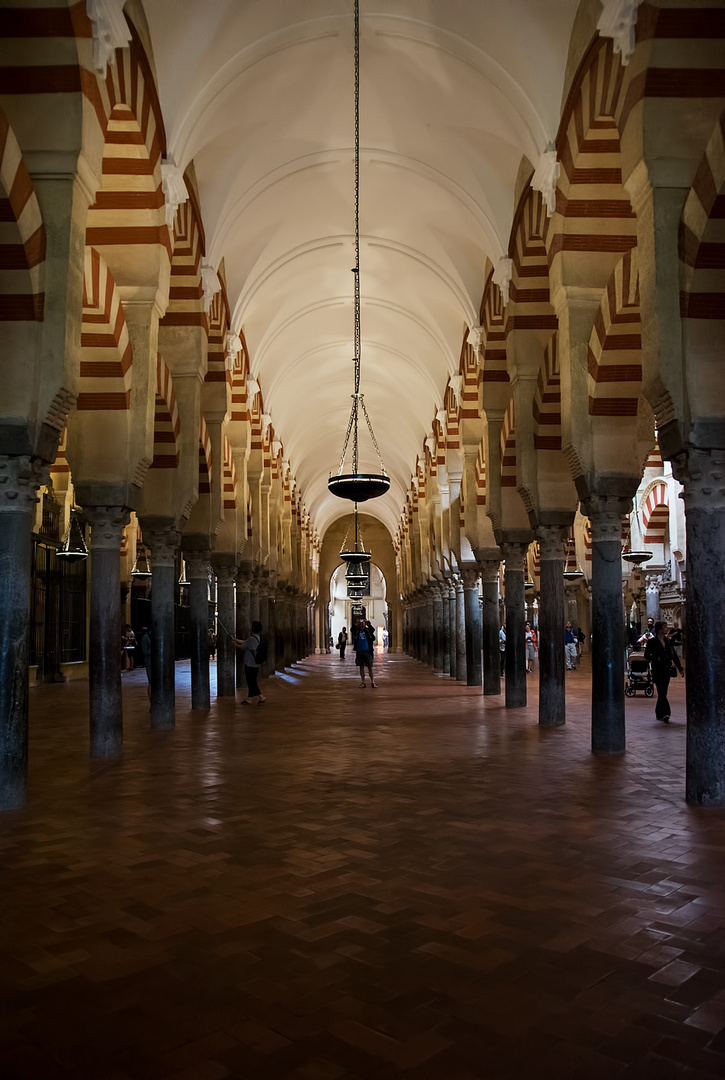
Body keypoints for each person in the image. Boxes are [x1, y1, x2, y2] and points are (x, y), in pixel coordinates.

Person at [644, 620, 684, 723]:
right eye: (665, 627)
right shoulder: (652, 642)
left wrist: (680, 668)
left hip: (666, 669)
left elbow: (674, 655)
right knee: (661, 691)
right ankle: (666, 713)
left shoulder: (667, 641)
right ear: (660, 629)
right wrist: (655, 658)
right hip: (657, 669)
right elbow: (646, 655)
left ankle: (659, 713)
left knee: (663, 692)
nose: (667, 629)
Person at [232, 620, 266, 705]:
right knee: (251, 680)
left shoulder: (251, 639)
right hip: (255, 663)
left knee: (251, 681)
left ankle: (261, 696)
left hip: (250, 663)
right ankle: (250, 698)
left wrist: (234, 644)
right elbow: (245, 642)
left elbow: (242, 646)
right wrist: (234, 639)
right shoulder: (257, 638)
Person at [354, 619, 376, 687]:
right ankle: (363, 682)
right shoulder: (357, 631)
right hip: (359, 651)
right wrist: (356, 624)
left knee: (370, 667)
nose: (362, 623)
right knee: (361, 667)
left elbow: (373, 630)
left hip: (368, 651)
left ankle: (372, 682)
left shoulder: (368, 630)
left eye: (363, 622)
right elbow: (352, 629)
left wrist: (368, 624)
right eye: (361, 623)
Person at [140, 627, 151, 701]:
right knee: (151, 683)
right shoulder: (145, 638)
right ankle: (152, 702)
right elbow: (145, 651)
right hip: (149, 662)